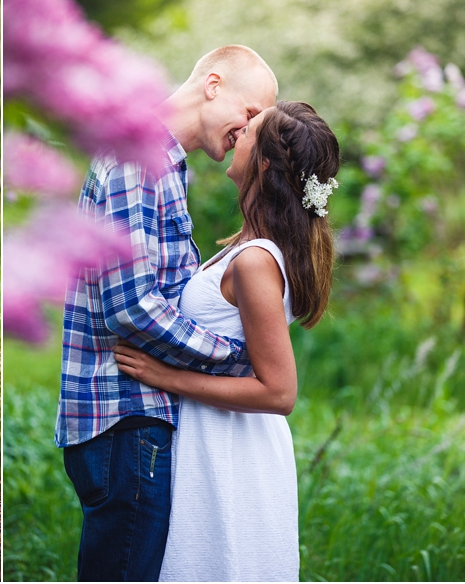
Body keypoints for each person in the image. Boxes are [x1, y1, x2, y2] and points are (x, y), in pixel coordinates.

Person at [57, 45, 278, 581]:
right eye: (249, 115)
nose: (246, 134)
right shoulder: (139, 160)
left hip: (133, 418)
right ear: (213, 84)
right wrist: (235, 359)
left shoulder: (163, 167)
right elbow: (131, 307)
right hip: (126, 416)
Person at [114, 100, 340, 581]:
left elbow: (279, 392)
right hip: (218, 438)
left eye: (250, 130)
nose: (237, 133)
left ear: (262, 163)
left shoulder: (255, 261)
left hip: (235, 449)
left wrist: (167, 377)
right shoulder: (246, 248)